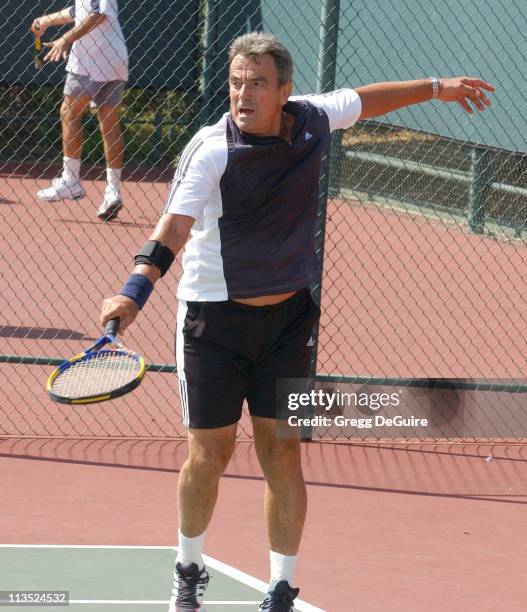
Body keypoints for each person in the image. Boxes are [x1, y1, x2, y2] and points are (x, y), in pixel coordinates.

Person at [100, 32, 494, 612]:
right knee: (209, 454)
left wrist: (437, 88)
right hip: (213, 323)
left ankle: (281, 588)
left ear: (284, 90)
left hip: (286, 322)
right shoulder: (212, 149)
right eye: (236, 83)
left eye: (257, 83)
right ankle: (188, 570)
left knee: (282, 452)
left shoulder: (311, 120)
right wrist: (134, 291)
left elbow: (368, 99)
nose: (243, 94)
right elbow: (174, 229)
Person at [30, 1, 128, 221]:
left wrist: (65, 39)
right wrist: (46, 20)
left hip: (91, 61)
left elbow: (97, 14)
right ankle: (113, 192)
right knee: (109, 122)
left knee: (69, 111)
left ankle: (71, 180)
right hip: (116, 60)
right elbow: (80, 10)